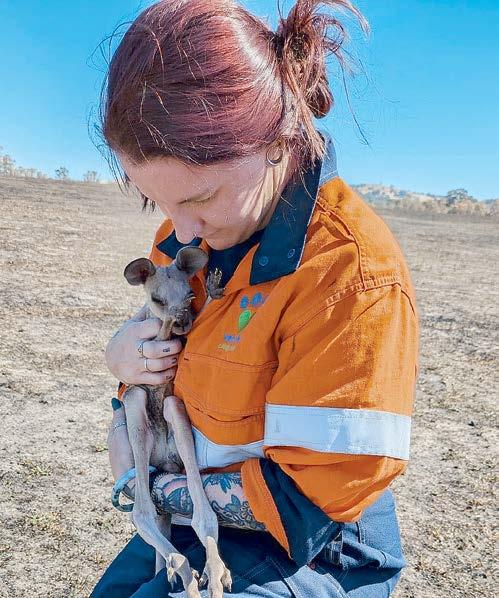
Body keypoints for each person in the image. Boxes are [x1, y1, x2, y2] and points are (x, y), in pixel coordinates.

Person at [91, 0, 419, 596]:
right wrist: (125, 364)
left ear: (277, 139)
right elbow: (164, 380)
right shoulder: (185, 245)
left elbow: (308, 501)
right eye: (156, 201)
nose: (179, 230)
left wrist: (145, 485)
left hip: (313, 553)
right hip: (196, 521)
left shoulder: (349, 274)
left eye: (200, 198)